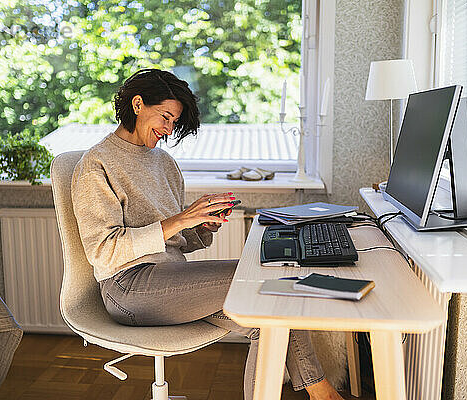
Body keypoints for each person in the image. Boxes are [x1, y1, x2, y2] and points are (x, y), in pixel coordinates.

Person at [71, 68, 344, 400]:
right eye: (166, 117)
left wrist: (201, 225)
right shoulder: (96, 165)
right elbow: (102, 251)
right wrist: (181, 219)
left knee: (265, 320)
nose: (169, 129)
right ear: (138, 103)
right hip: (127, 288)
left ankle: (316, 393)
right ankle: (323, 393)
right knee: (260, 280)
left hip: (169, 279)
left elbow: (177, 240)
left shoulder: (164, 163)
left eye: (174, 122)